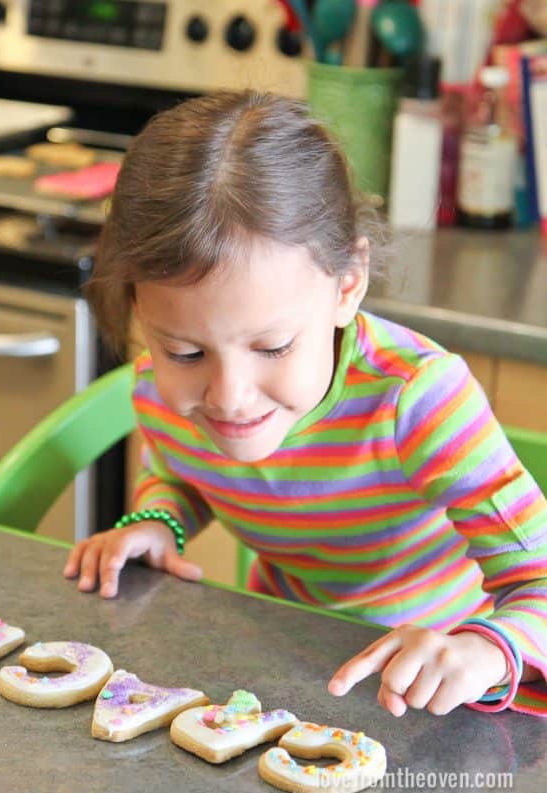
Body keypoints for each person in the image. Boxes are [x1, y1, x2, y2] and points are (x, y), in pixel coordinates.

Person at [64, 90, 546, 718]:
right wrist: (162, 521)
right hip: (284, 670)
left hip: (441, 699)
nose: (227, 397)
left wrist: (482, 652)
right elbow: (183, 474)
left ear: (347, 285)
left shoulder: (417, 400)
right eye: (185, 352)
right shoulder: (163, 392)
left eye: (273, 346)